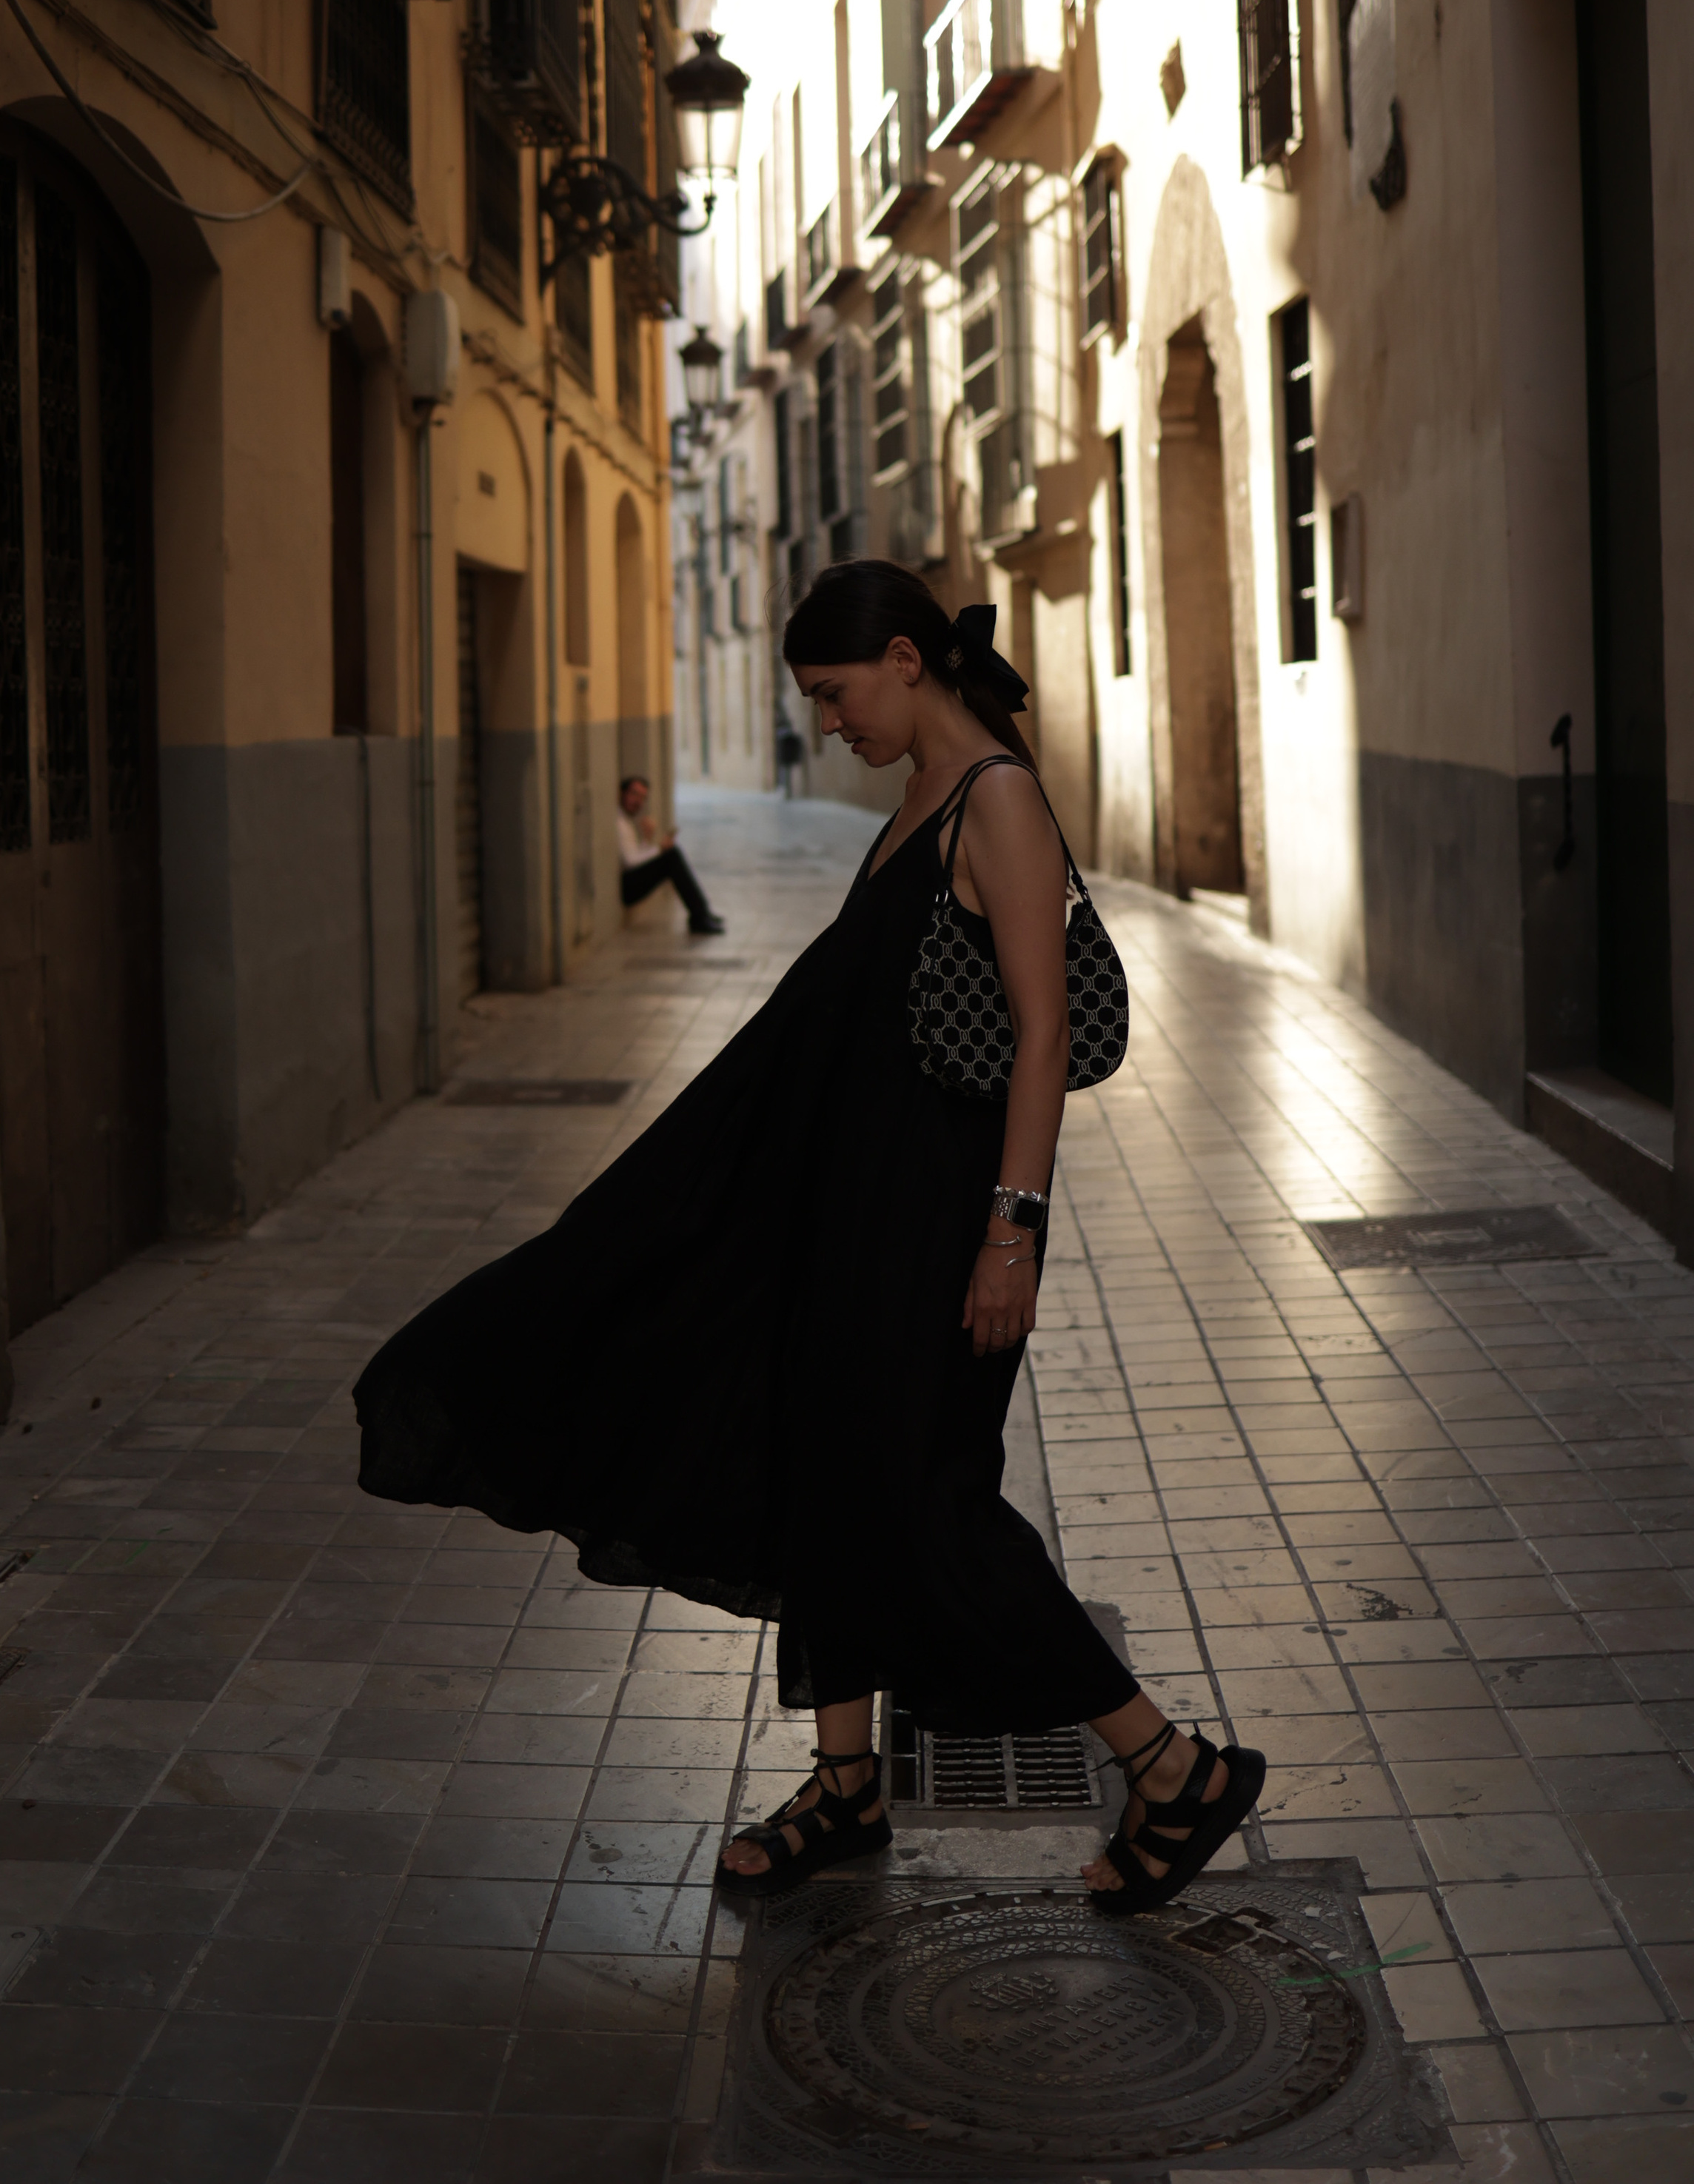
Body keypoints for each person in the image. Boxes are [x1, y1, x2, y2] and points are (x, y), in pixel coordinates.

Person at [354, 558, 1265, 1912]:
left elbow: (1041, 1034)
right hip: (853, 1216)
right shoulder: (916, 801)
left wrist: (1008, 1234)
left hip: (944, 1228)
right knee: (826, 1469)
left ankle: (1172, 1765)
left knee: (929, 1505)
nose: (828, 721)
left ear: (907, 661)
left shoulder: (995, 801)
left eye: (837, 694)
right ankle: (846, 1785)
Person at [615, 776, 726, 936]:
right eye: (634, 794)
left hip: (631, 879)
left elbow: (636, 857)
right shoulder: (619, 822)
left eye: (642, 798)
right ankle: (700, 916)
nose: (638, 801)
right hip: (627, 887)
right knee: (672, 857)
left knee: (672, 855)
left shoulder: (627, 821)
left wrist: (647, 839)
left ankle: (702, 913)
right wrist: (659, 849)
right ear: (621, 793)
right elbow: (631, 862)